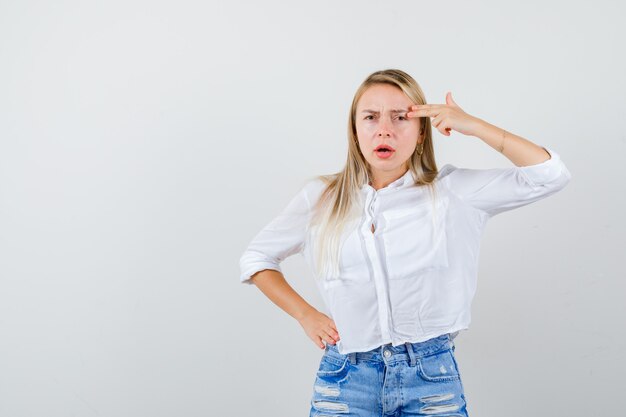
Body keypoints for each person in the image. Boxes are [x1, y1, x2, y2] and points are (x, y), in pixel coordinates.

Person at [239, 69, 571, 417]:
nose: (384, 129)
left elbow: (550, 176)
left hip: (429, 379)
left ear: (422, 133)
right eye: (370, 117)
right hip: (344, 379)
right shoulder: (321, 198)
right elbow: (257, 257)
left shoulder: (453, 192)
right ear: (354, 131)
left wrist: (471, 125)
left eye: (400, 118)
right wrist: (305, 315)